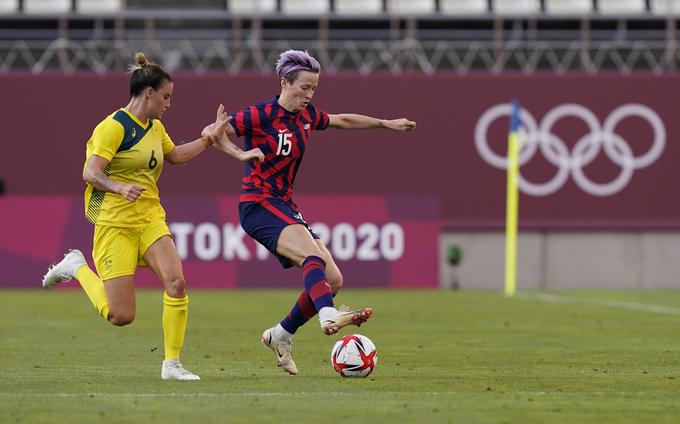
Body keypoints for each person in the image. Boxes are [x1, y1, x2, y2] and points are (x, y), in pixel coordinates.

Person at [40, 53, 251, 380]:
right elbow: (90, 173)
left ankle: (172, 365)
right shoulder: (114, 127)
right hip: (115, 225)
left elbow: (177, 156)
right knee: (121, 316)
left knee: (176, 282)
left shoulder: (156, 127)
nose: (169, 103)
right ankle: (76, 267)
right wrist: (119, 187)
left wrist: (210, 138)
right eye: (166, 96)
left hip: (150, 218)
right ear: (148, 92)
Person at [207, 49, 416, 375]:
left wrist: (384, 123)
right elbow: (212, 132)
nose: (309, 94)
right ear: (285, 82)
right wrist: (241, 154)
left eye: (314, 88)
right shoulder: (260, 114)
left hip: (285, 205)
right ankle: (327, 315)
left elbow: (341, 120)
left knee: (332, 279)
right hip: (258, 204)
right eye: (304, 87)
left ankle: (281, 334)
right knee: (312, 259)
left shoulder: (307, 117)